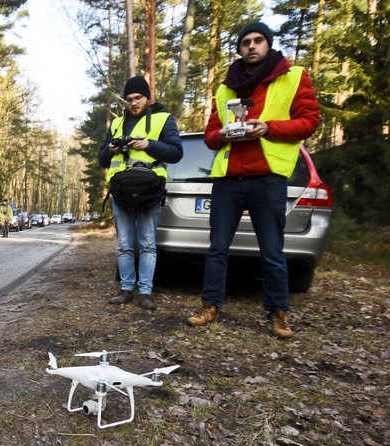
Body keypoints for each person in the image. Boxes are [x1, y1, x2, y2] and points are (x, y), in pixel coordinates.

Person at [186, 21, 320, 339]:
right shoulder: (225, 88)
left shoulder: (293, 76)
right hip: (228, 180)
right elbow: (209, 136)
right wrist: (222, 135)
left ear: (268, 45)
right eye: (246, 42)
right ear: (240, 48)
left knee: (272, 250)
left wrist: (269, 128)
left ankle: (278, 313)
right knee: (217, 248)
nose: (252, 46)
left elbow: (310, 120)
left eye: (258, 40)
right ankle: (210, 306)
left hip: (268, 178)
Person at [98, 75, 183, 310]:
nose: (134, 103)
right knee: (125, 244)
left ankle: (145, 292)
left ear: (147, 98)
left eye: (138, 98)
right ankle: (126, 289)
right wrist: (112, 148)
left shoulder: (163, 119)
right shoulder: (116, 124)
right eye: (129, 99)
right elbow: (102, 158)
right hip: (121, 192)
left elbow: (176, 152)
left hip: (150, 191)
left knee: (147, 243)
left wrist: (149, 144)